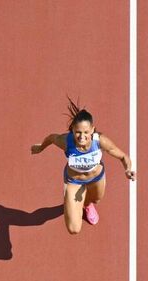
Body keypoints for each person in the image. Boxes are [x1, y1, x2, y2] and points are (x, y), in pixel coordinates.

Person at [30, 99, 135, 235]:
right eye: (78, 132)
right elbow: (51, 138)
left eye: (86, 132)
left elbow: (123, 156)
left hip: (96, 178)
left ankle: (86, 205)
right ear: (73, 130)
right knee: (74, 229)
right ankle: (70, 199)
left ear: (92, 129)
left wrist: (127, 169)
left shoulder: (100, 141)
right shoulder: (66, 142)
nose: (82, 136)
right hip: (75, 181)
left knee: (96, 200)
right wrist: (40, 147)